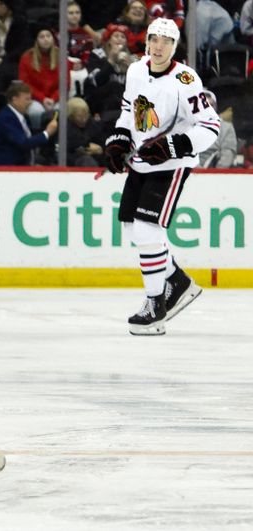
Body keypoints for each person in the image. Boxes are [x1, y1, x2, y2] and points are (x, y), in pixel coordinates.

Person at [103, 18, 219, 335]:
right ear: (147, 42)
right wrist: (119, 139)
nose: (158, 46)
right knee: (132, 228)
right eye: (154, 39)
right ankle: (178, 282)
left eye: (166, 42)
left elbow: (210, 127)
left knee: (147, 230)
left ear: (174, 45)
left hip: (171, 165)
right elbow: (130, 109)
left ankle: (155, 306)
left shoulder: (186, 79)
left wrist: (174, 145)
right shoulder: (136, 71)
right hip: (141, 163)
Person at [0, 81, 58, 166]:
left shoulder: (22, 116)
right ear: (14, 99)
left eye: (30, 99)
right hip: (10, 170)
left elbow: (29, 137)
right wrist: (47, 133)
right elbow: (23, 143)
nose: (30, 102)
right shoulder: (6, 118)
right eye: (27, 99)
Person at [18, 27, 69, 130]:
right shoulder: (27, 57)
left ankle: (57, 140)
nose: (46, 39)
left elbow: (65, 83)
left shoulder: (61, 55)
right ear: (36, 40)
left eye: (48, 36)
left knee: (60, 110)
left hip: (56, 98)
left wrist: (54, 98)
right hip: (34, 98)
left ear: (53, 38)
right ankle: (38, 137)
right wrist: (43, 98)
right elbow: (25, 83)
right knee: (36, 112)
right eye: (42, 37)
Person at [198, 90, 237, 168]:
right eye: (204, 105)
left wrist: (215, 174)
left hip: (214, 172)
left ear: (215, 107)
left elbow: (228, 153)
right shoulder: (186, 126)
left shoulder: (226, 127)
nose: (207, 108)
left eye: (211, 105)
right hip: (189, 172)